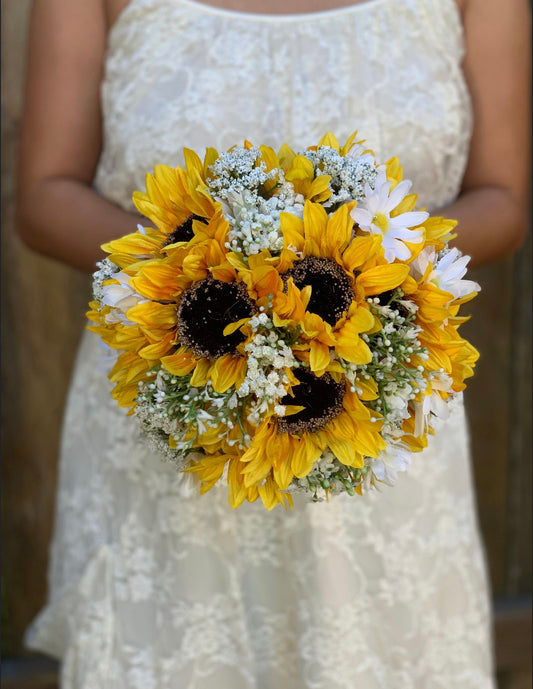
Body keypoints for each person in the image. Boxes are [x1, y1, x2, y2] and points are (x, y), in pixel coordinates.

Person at [17, 0, 530, 687]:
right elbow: (46, 194)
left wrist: (357, 280)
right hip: (172, 415)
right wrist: (203, 279)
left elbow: (500, 197)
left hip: (382, 426)